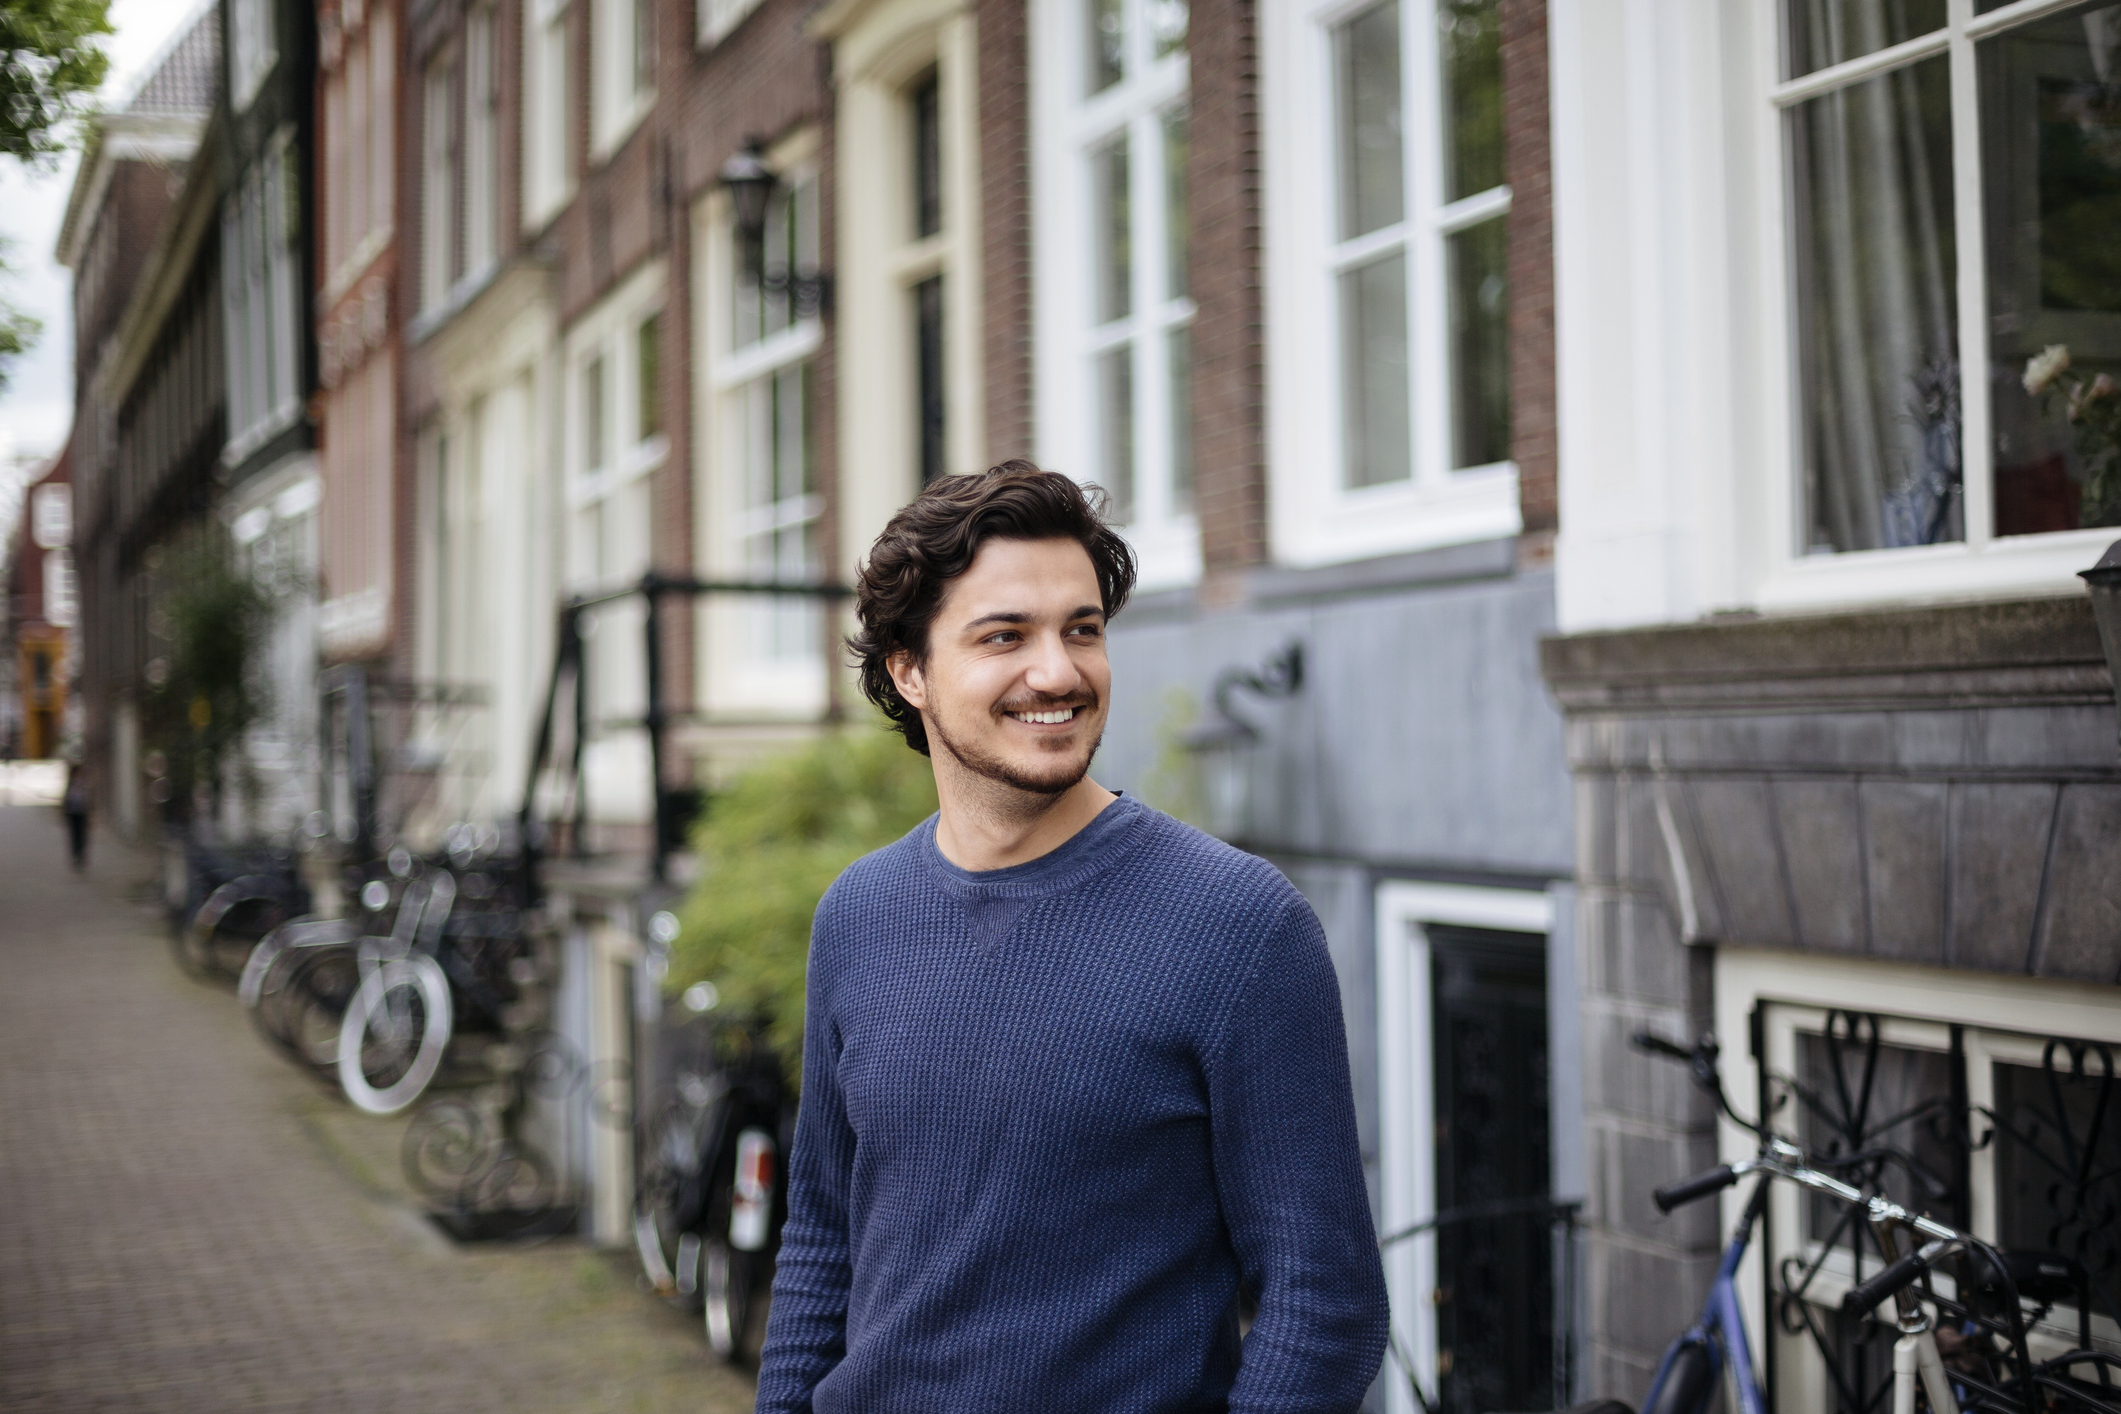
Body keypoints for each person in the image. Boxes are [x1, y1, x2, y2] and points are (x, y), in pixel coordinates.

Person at [755, 462, 1388, 1414]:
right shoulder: (858, 913)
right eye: (1004, 636)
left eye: (1081, 630)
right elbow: (823, 1236)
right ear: (909, 670)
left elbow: (1322, 1301)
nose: (1057, 672)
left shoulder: (1239, 928)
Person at [62, 758, 90, 870]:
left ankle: (81, 855)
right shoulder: (71, 784)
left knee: (82, 835)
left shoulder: (84, 784)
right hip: (72, 813)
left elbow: (89, 799)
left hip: (82, 813)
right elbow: (66, 799)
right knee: (74, 835)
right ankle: (75, 856)